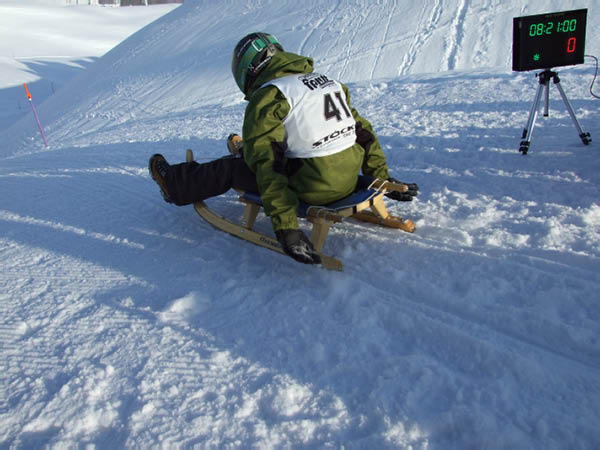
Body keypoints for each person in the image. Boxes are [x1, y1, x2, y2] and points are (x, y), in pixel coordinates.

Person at [149, 32, 418, 265]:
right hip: (347, 182)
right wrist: (381, 179)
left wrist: (287, 229)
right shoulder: (328, 83)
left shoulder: (271, 96)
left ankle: (174, 184)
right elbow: (365, 135)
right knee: (284, 146)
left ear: (248, 68)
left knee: (231, 168)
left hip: (309, 188)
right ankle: (245, 148)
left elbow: (269, 167)